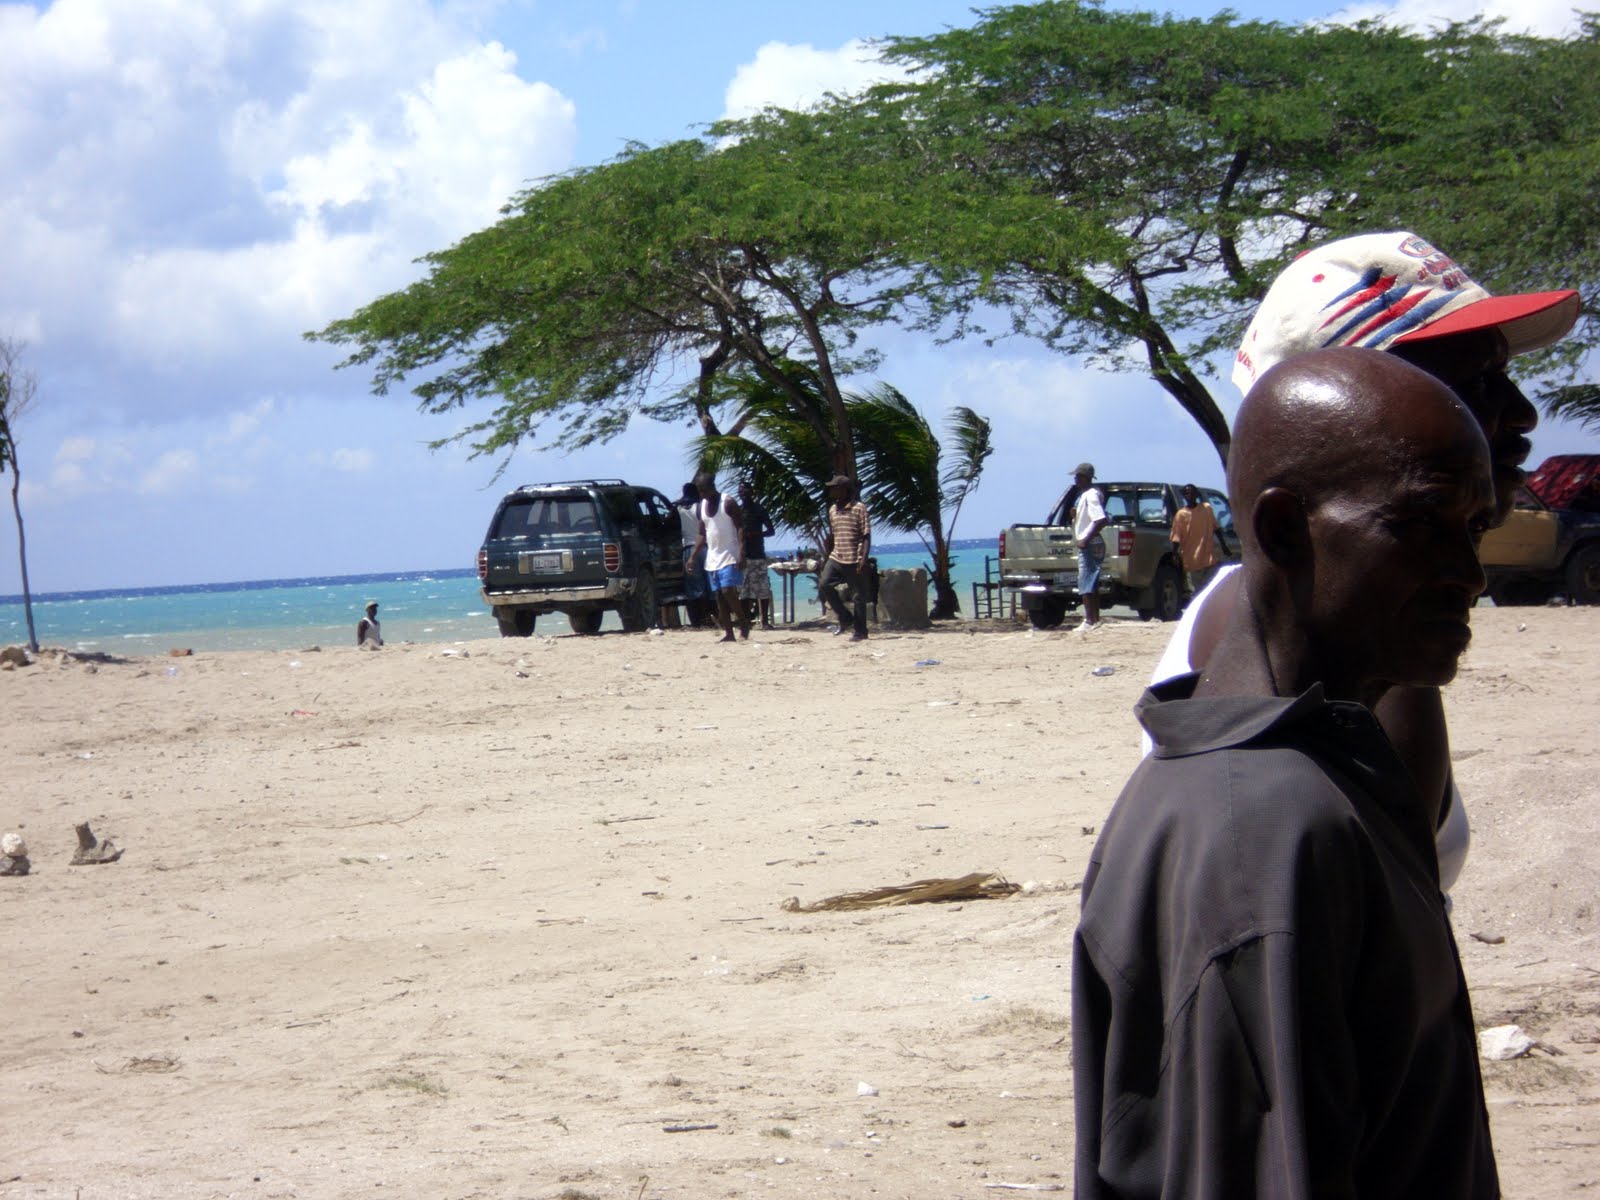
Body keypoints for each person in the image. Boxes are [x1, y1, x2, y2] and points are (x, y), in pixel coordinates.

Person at [1075, 348, 1501, 1198]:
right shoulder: (1269, 833)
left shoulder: (1248, 781)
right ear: (1281, 531)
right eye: (1420, 525)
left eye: (1475, 530)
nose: (1470, 574)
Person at [1156, 230, 1580, 889]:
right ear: (1352, 406)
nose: (1521, 414)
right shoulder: (1350, 637)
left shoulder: (1331, 616)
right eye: (1477, 383)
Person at [691, 472, 750, 643]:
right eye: (699, 491)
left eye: (703, 490)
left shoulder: (728, 502)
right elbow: (702, 533)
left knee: (728, 591)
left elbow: (740, 527)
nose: (701, 494)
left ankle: (743, 621)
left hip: (730, 554)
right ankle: (729, 633)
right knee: (719, 596)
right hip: (713, 556)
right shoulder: (701, 506)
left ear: (712, 488)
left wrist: (741, 551)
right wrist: (693, 556)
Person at [818, 474, 871, 641]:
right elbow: (835, 534)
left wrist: (863, 558)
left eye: (835, 487)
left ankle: (861, 631)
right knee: (824, 584)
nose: (831, 490)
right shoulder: (832, 509)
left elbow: (866, 535)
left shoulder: (859, 508)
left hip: (854, 557)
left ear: (844, 489)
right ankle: (845, 616)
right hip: (836, 556)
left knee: (858, 596)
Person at [1169, 483, 1227, 595]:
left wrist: (1224, 546)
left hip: (1209, 560)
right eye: (1186, 493)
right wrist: (1174, 554)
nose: (1189, 495)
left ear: (1196, 494)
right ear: (1184, 496)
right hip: (1192, 562)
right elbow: (1176, 537)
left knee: (1211, 591)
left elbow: (1216, 528)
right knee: (1197, 593)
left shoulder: (1206, 508)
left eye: (1191, 492)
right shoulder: (1181, 515)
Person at [1070, 462, 1108, 632]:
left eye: (1078, 476)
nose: (1075, 479)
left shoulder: (1091, 495)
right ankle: (1095, 619)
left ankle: (1089, 620)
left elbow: (1101, 519)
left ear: (1086, 477)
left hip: (1090, 542)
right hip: (1093, 540)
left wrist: (1085, 538)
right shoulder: (1086, 495)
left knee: (1085, 580)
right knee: (1091, 581)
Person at [737, 480, 777, 630]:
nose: (743, 494)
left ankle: (765, 621)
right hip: (744, 555)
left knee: (763, 589)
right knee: (744, 590)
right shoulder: (738, 511)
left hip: (758, 554)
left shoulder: (759, 510)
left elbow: (771, 531)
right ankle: (746, 621)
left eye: (746, 491)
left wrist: (755, 534)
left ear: (752, 493)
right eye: (741, 491)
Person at [676, 482, 712, 627]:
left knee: (693, 586)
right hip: (703, 547)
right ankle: (708, 618)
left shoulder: (678, 508)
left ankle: (696, 621)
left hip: (687, 548)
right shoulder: (700, 507)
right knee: (708, 585)